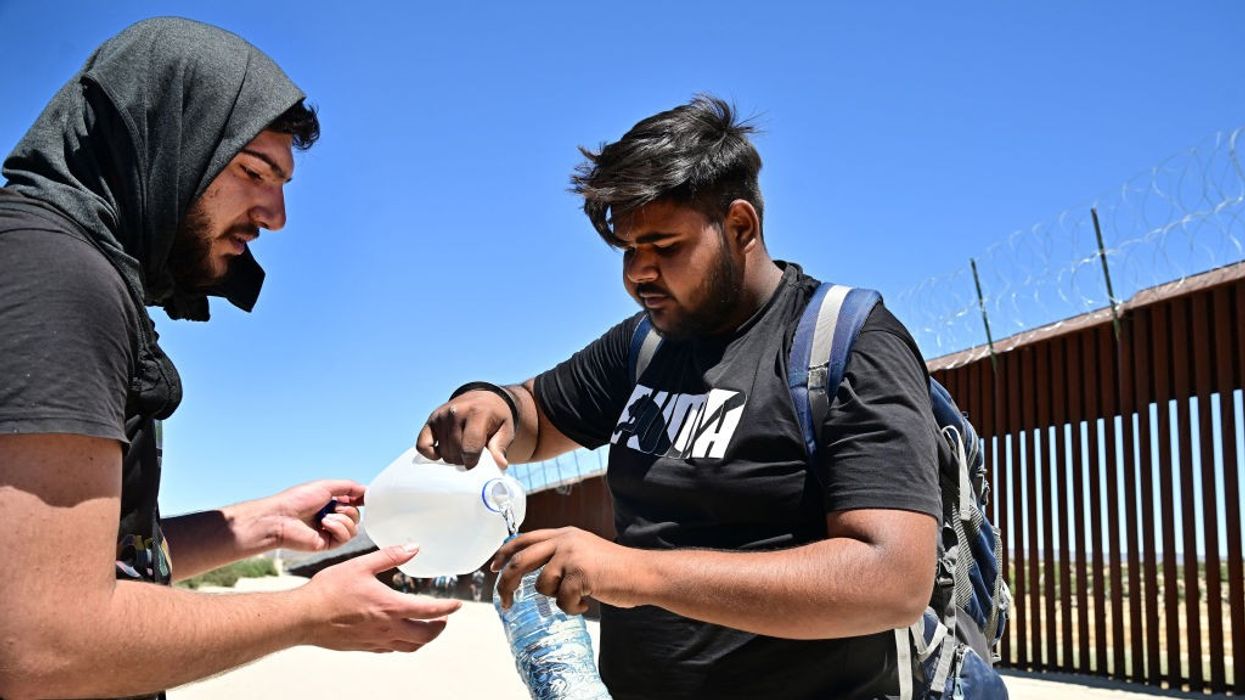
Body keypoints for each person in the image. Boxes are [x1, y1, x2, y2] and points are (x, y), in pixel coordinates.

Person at [418, 95, 941, 698]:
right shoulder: (645, 345)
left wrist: (636, 572)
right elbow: (537, 415)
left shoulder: (845, 344)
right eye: (628, 250)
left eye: (665, 247)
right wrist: (492, 405)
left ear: (740, 227)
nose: (638, 274)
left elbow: (892, 580)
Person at [0, 18, 459, 700]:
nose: (276, 215)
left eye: (282, 183)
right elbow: (42, 643)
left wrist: (257, 525)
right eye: (253, 171)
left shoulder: (49, 261)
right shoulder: (56, 277)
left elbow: (87, 565)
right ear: (164, 140)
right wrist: (309, 614)